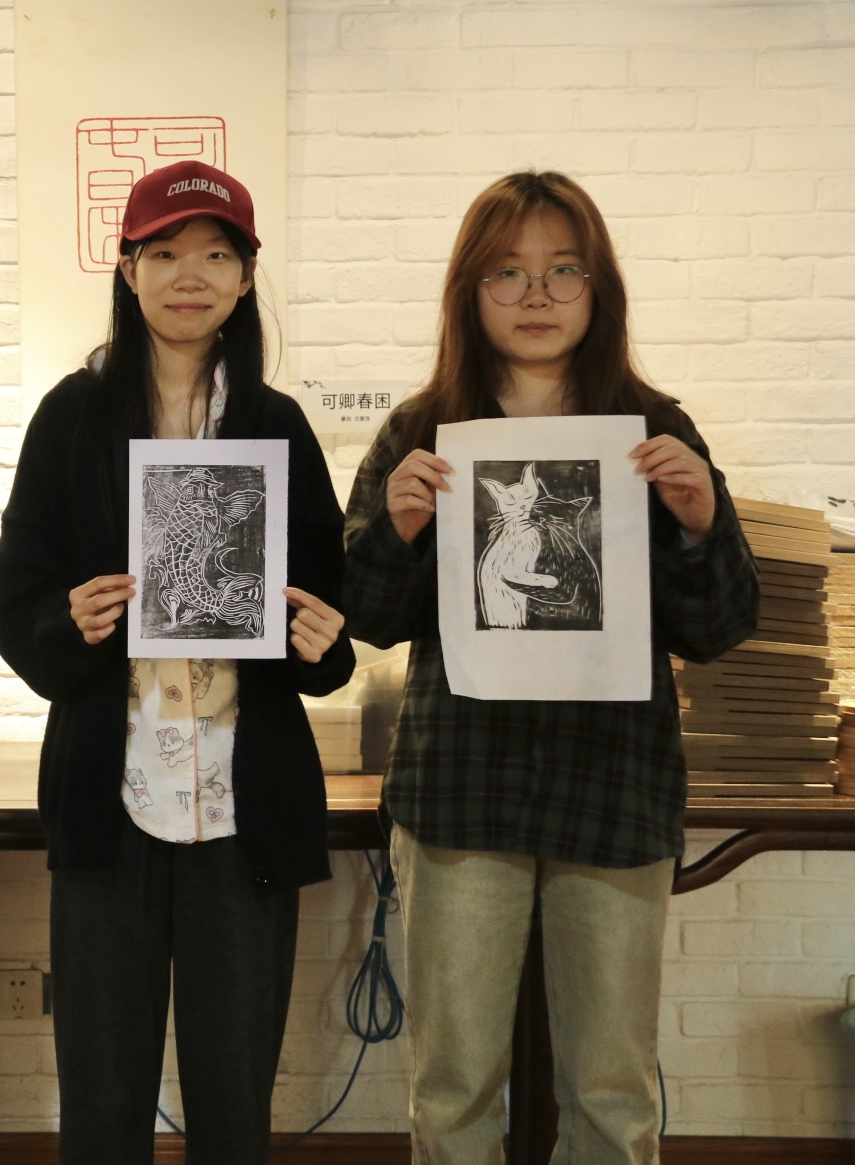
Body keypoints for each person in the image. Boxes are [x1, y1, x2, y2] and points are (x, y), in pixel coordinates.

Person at [339, 171, 759, 1164]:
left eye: (562, 271)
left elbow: (719, 627)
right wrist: (396, 530)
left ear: (597, 287)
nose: (535, 295)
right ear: (469, 290)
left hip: (614, 785)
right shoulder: (421, 432)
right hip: (461, 788)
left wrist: (699, 522)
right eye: (507, 272)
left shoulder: (654, 431)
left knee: (613, 1091)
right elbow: (366, 618)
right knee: (452, 1088)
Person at [0, 161, 355, 1164]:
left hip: (245, 802)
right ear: (127, 268)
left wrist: (321, 643)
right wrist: (68, 621)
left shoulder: (275, 425)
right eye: (164, 253)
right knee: (102, 1094)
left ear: (245, 277)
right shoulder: (72, 417)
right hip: (111, 795)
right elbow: (18, 598)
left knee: (233, 1095)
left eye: (216, 255)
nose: (189, 275)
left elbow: (327, 612)